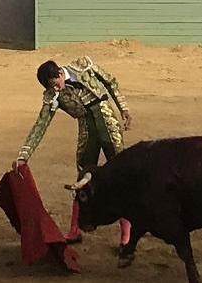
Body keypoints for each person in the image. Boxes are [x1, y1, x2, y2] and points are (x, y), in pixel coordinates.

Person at [13, 56, 133, 250]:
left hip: (107, 120)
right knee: (81, 179)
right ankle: (74, 230)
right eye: (52, 87)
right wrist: (23, 155)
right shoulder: (53, 94)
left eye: (56, 84)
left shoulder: (84, 66)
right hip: (86, 128)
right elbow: (41, 124)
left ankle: (126, 237)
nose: (57, 90)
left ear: (60, 73)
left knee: (121, 175)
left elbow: (110, 82)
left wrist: (124, 109)